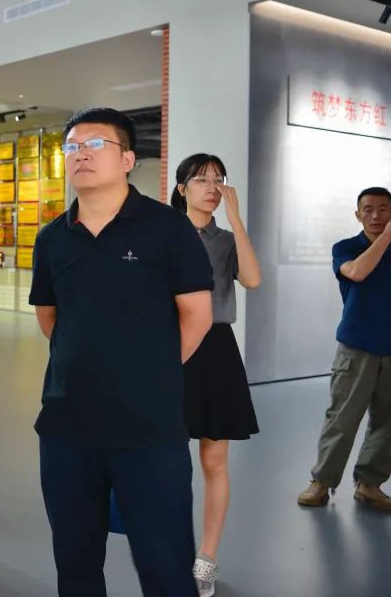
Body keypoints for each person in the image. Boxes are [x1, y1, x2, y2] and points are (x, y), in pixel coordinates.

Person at [30, 107, 213, 597]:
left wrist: (147, 371)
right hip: (67, 426)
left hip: (148, 427)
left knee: (165, 565)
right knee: (75, 562)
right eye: (72, 147)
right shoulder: (52, 237)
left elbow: (197, 316)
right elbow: (50, 319)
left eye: (95, 145)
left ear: (128, 159)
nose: (81, 155)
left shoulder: (168, 228)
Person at [171, 154, 262, 597]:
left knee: (214, 461)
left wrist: (236, 219)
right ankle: (170, 551)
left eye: (218, 180)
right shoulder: (163, 233)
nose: (211, 187)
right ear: (182, 188)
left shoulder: (226, 240)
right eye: (201, 179)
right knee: (167, 460)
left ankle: (206, 558)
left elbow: (253, 279)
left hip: (217, 351)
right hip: (168, 347)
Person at [298, 187, 391, 514]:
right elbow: (357, 272)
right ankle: (321, 482)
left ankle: (369, 484)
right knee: (342, 418)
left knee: (386, 422)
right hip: (357, 348)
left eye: (383, 209)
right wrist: (387, 237)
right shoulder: (346, 248)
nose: (376, 215)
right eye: (368, 209)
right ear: (357, 214)